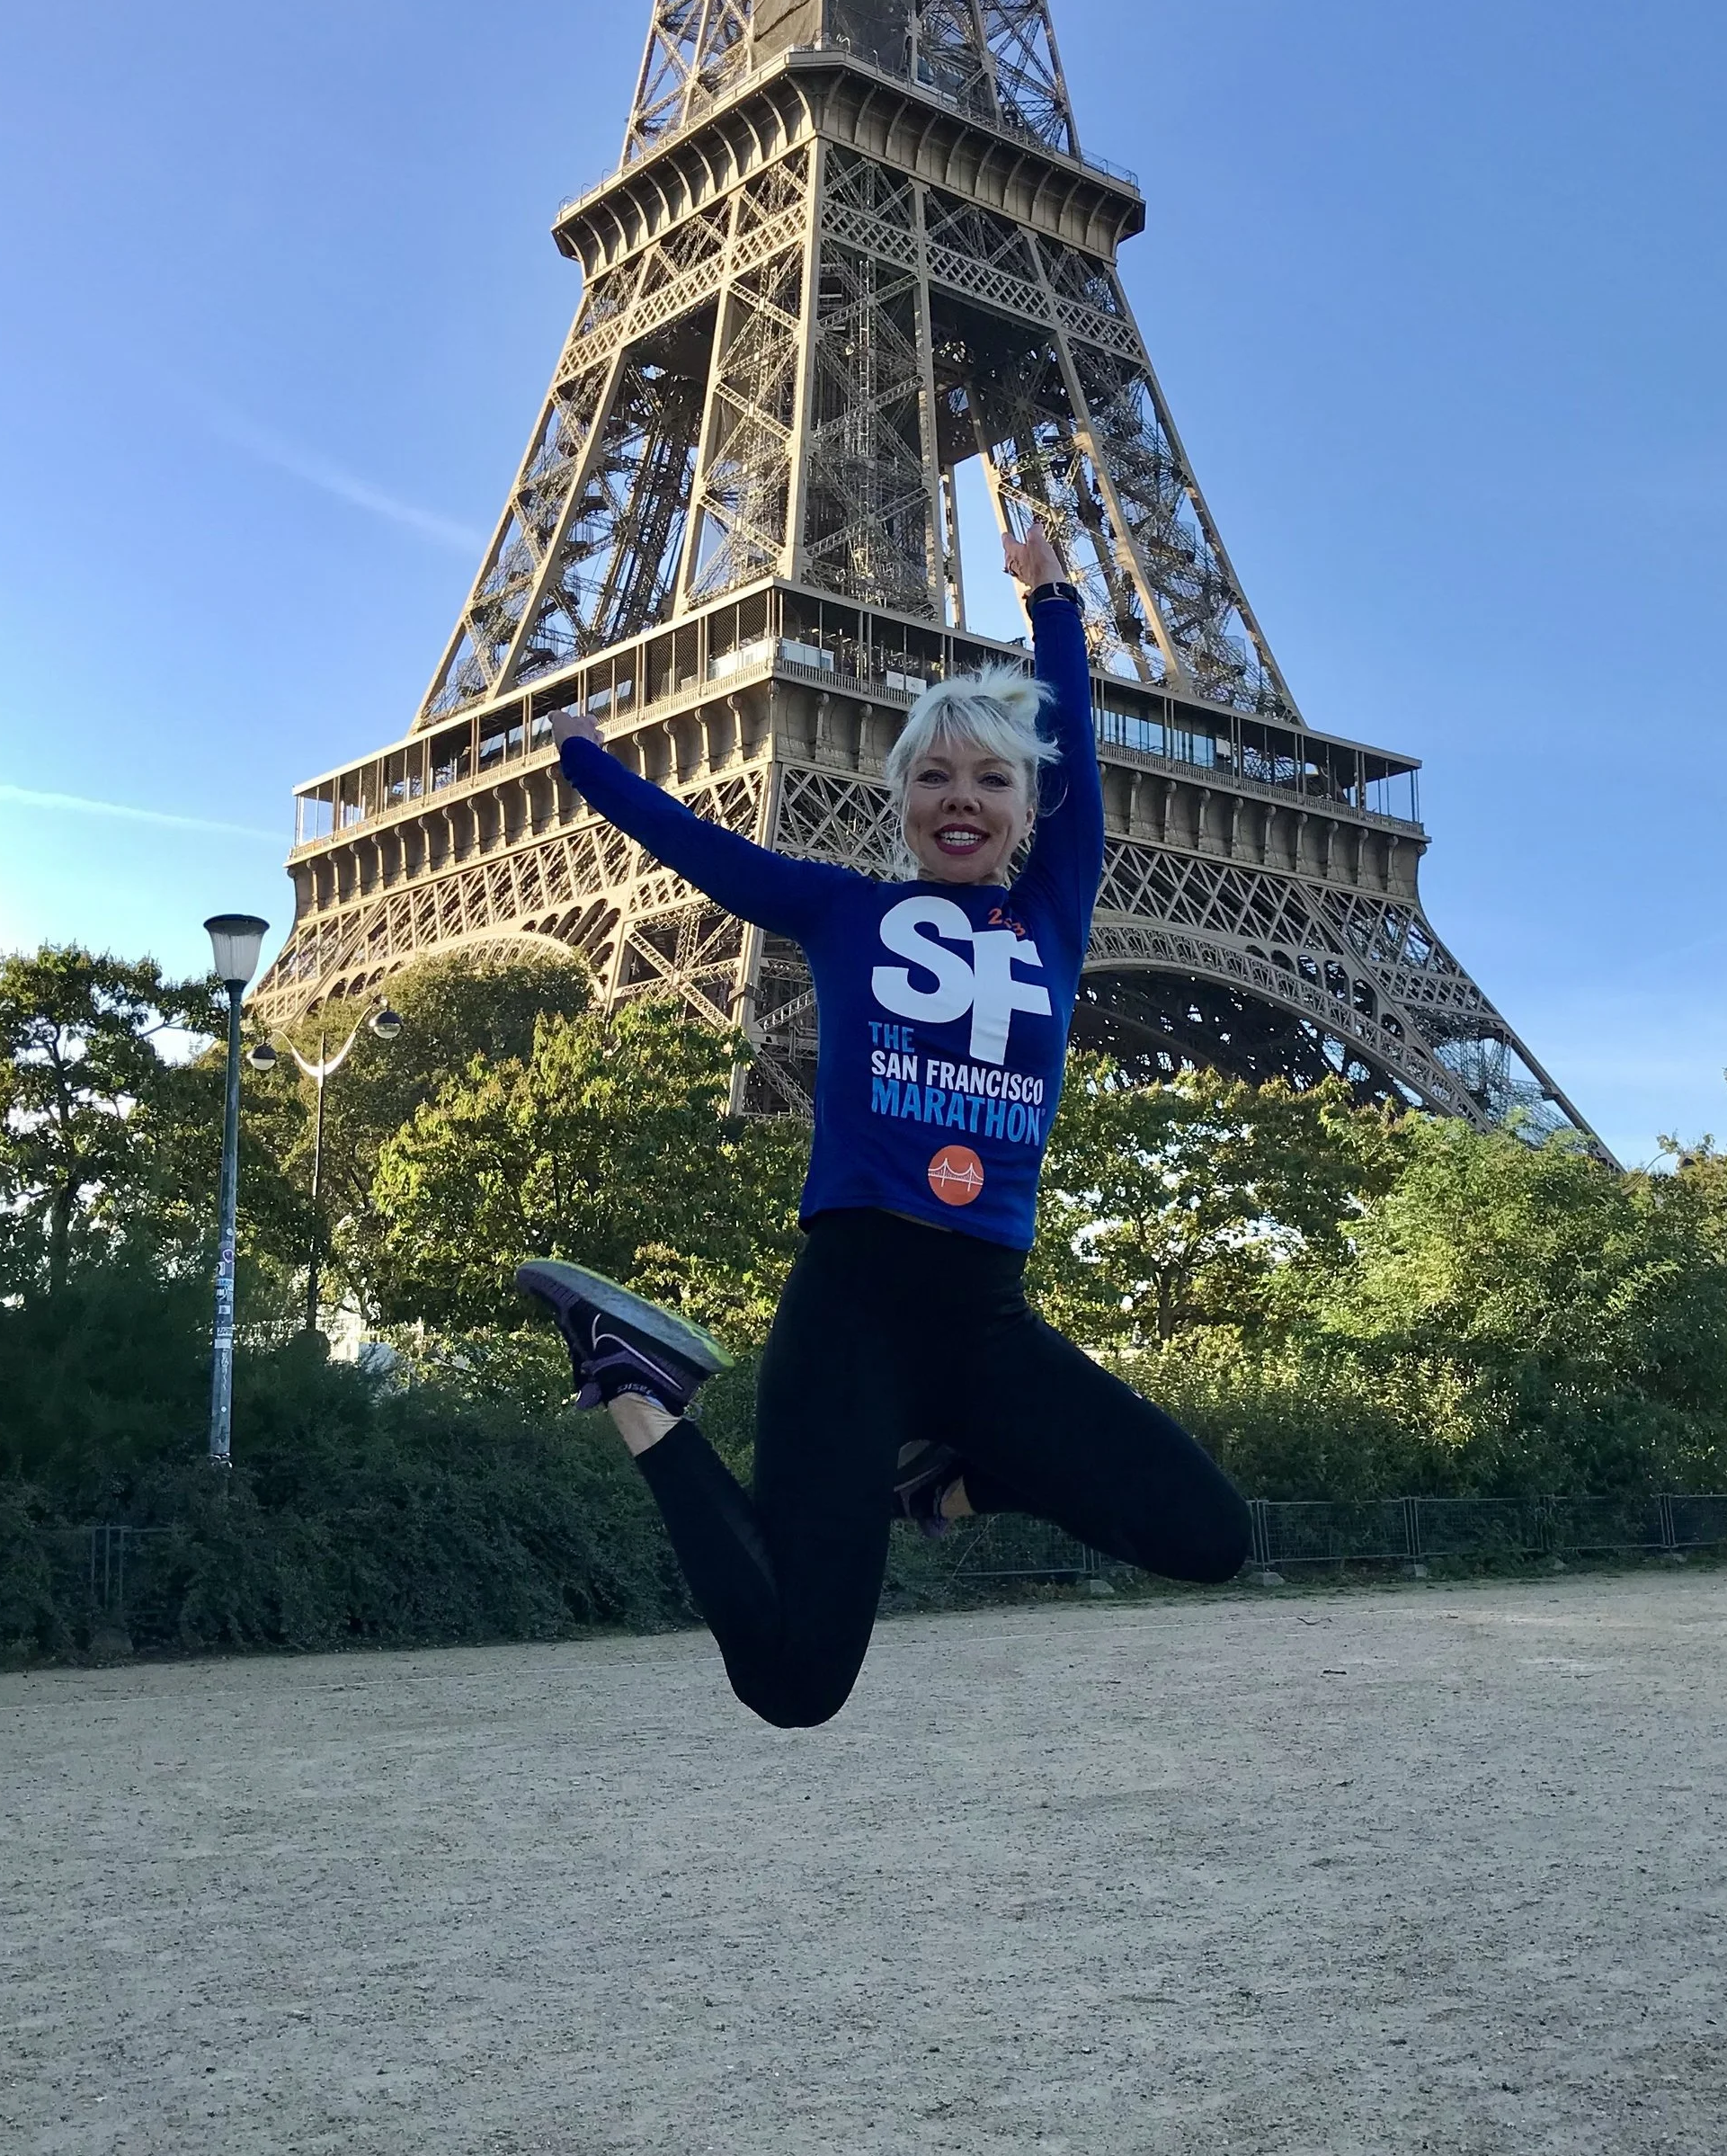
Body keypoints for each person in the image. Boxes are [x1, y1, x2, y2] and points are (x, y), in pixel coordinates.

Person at [518, 520, 1250, 1728]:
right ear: (902, 800)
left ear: (1030, 809)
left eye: (991, 780)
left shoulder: (1054, 914)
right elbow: (704, 852)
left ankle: (953, 1483)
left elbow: (1075, 745)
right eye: (934, 778)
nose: (961, 799)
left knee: (1208, 1536)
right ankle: (641, 1391)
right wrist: (586, 764)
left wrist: (1055, 601)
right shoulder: (841, 909)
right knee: (797, 1684)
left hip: (985, 1324)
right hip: (851, 1307)